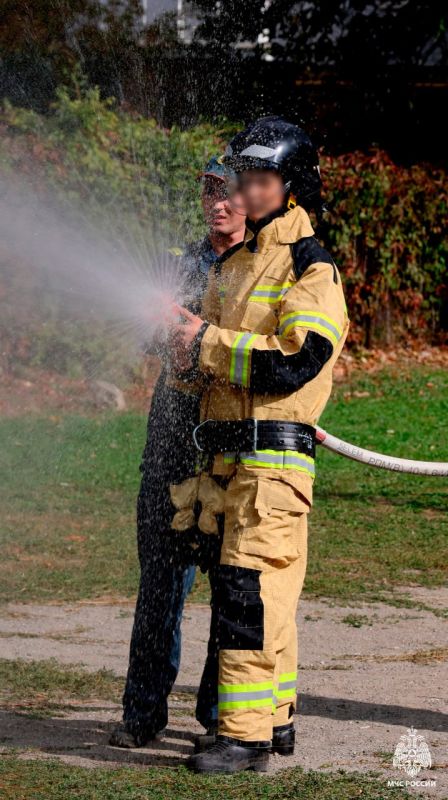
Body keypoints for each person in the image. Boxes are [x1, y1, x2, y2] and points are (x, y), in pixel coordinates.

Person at [171, 117, 350, 773]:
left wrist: (207, 344)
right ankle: (273, 723)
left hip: (271, 465)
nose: (245, 189)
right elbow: (209, 360)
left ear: (292, 186)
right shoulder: (240, 264)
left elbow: (297, 362)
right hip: (228, 461)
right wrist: (182, 350)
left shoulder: (311, 266)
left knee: (250, 595)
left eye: (260, 178)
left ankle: (242, 739)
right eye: (242, 176)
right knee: (261, 595)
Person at [110, 156, 246, 748]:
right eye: (211, 192)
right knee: (161, 583)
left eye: (231, 192)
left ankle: (221, 722)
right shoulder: (181, 265)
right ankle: (142, 716)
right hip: (170, 443)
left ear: (256, 198)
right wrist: (159, 325)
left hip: (233, 447)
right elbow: (144, 338)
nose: (219, 203)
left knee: (231, 585)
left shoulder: (262, 269)